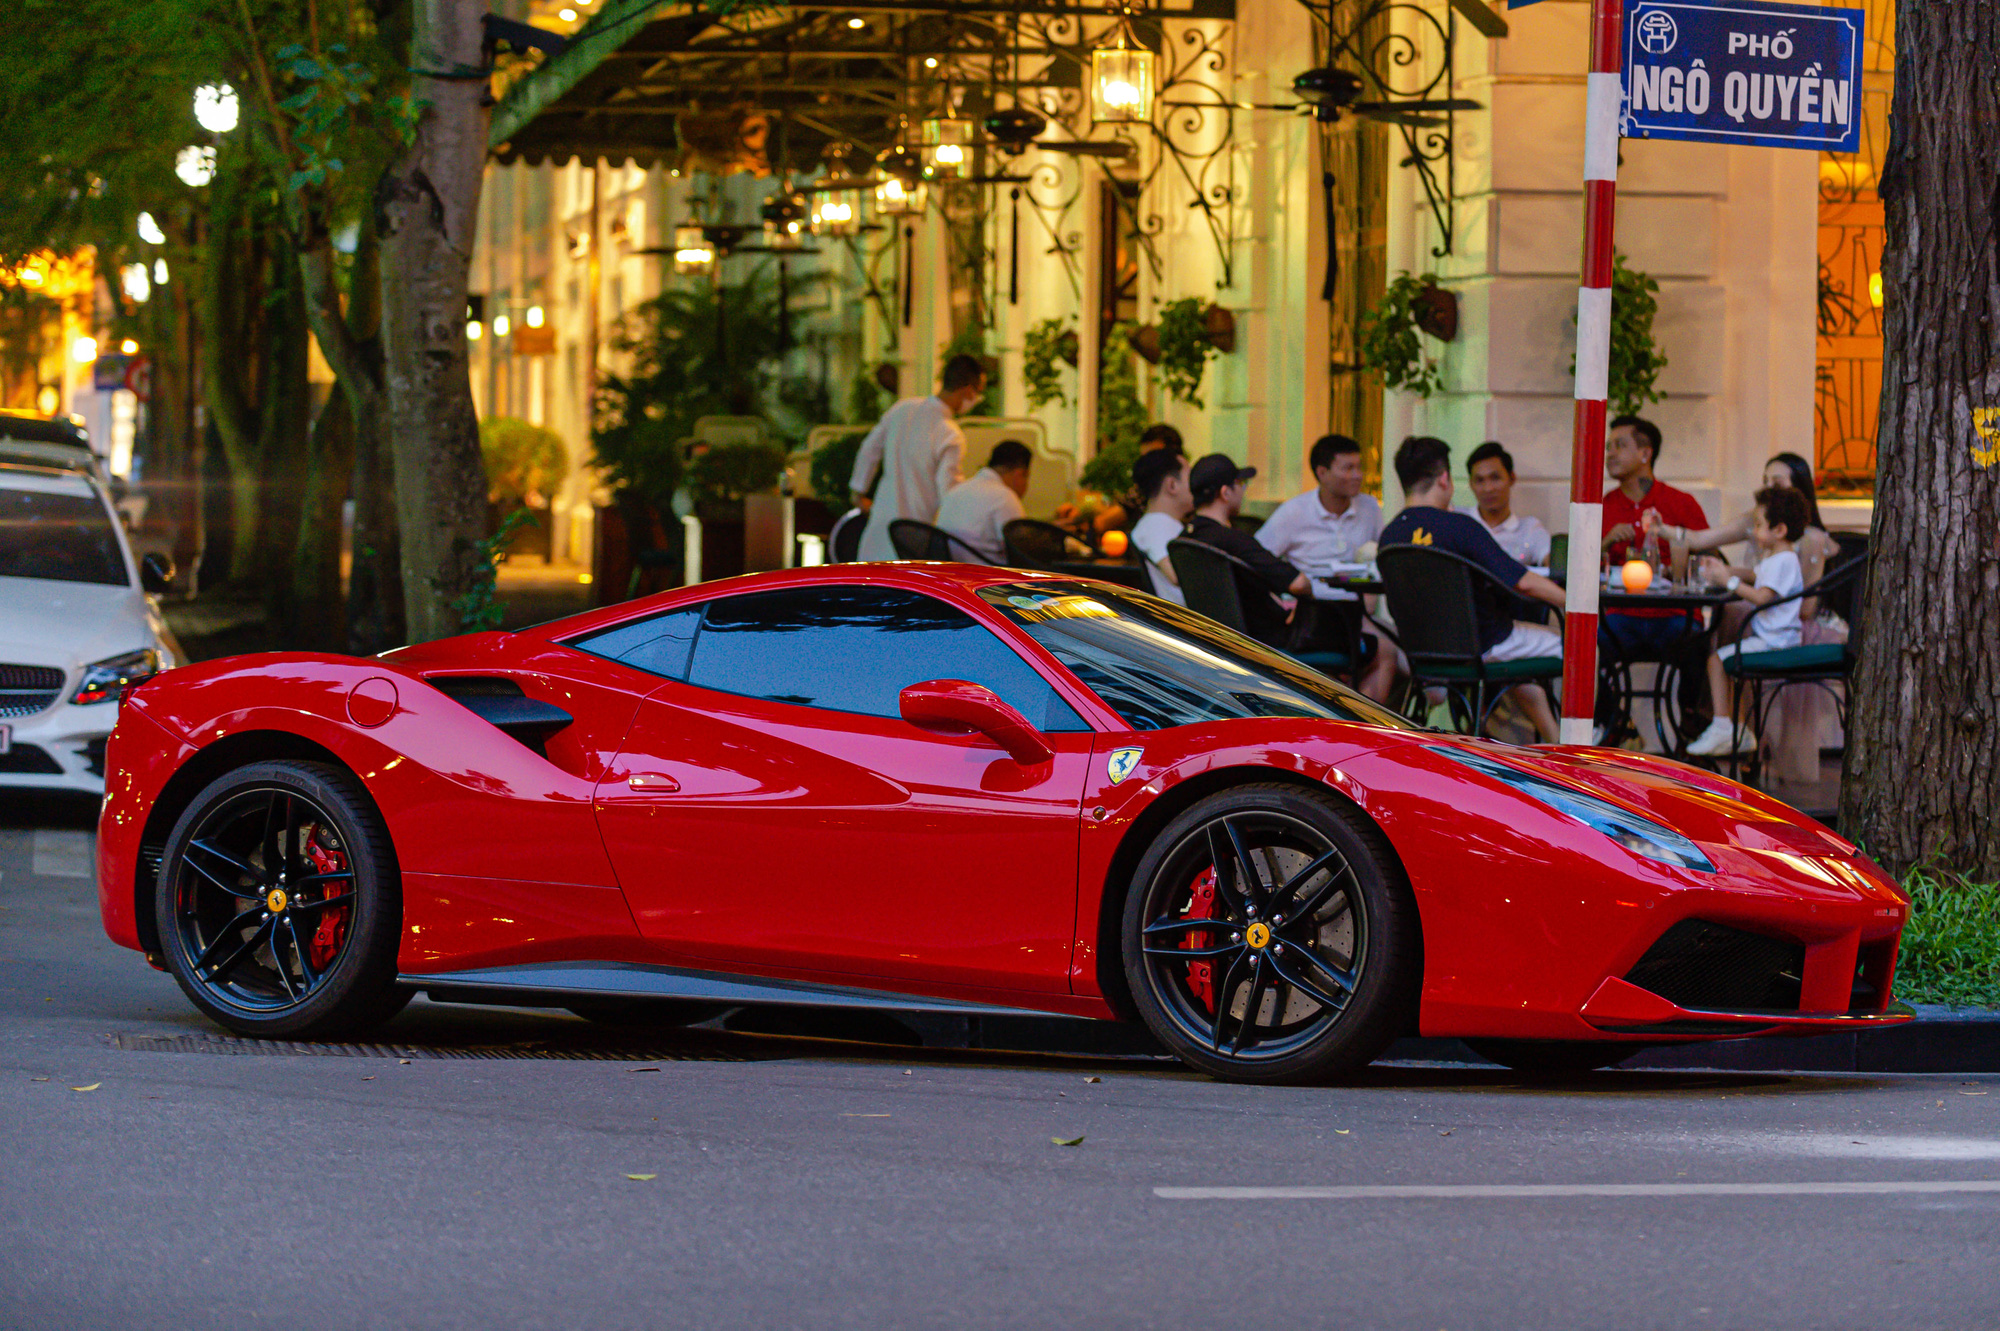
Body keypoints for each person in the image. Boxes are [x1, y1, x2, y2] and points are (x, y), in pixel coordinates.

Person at [1380, 436, 1568, 744]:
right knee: (1582, 646)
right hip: (1482, 646)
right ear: (1444, 479)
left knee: (1521, 655)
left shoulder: (1390, 535)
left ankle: (1549, 736)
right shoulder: (1460, 527)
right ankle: (1580, 740)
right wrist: (1575, 604)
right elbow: (1522, 581)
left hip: (1423, 655)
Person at [1596, 415, 1711, 739]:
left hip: (1673, 615)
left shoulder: (1679, 503)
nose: (1610, 455)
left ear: (1645, 454)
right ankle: (1609, 724)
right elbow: (1581, 565)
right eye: (1608, 448)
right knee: (1589, 641)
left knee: (1697, 643)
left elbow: (1708, 559)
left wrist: (1678, 559)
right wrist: (1605, 544)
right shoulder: (1603, 507)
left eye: (1619, 446)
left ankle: (1691, 724)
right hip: (1620, 616)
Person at [1256, 434, 1395, 701]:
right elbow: (1257, 559)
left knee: (1396, 650)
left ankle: (1365, 725)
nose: (1357, 475)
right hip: (1312, 617)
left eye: (1359, 466)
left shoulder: (1369, 507)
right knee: (1383, 652)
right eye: (1347, 468)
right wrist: (1281, 601)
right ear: (1322, 472)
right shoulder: (1294, 512)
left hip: (1357, 613)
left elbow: (1381, 558)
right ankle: (1359, 727)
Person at [1684, 487, 1810, 758]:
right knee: (1728, 662)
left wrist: (1728, 581)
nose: (1753, 531)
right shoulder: (1778, 558)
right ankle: (1738, 730)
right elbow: (1755, 575)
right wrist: (1725, 570)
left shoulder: (1783, 561)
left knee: (1716, 661)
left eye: (1758, 525)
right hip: (1772, 638)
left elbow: (1762, 597)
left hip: (1776, 642)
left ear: (1779, 530)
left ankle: (1722, 726)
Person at [848, 353, 988, 562]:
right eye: (979, 393)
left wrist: (858, 491)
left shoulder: (902, 408)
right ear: (968, 391)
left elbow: (869, 449)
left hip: (878, 529)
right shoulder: (950, 434)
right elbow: (948, 491)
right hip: (913, 538)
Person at [1180, 453, 1313, 645]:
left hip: (1212, 639)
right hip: (1263, 644)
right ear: (1225, 492)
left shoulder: (1185, 538)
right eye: (1241, 484)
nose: (1243, 491)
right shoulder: (1234, 540)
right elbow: (1299, 584)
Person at [934, 439, 1032, 564]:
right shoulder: (1004, 497)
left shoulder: (956, 490)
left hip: (949, 574)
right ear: (1020, 473)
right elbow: (1023, 551)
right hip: (986, 577)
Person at [1457, 441, 1552, 566]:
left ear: (1512, 478)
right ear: (1470, 484)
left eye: (1495, 478)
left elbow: (1554, 564)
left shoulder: (1529, 529)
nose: (1488, 488)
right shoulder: (1457, 520)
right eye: (1479, 480)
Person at [1128, 447, 1193, 604]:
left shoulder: (1160, 523)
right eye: (1191, 477)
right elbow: (1178, 575)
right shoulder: (1156, 525)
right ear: (1172, 485)